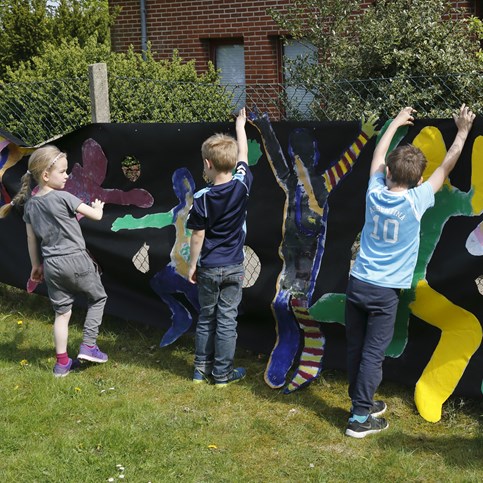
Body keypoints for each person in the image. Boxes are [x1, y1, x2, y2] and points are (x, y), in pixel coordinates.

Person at [345, 104, 475, 438]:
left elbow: (379, 152)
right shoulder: (417, 200)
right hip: (385, 293)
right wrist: (461, 131)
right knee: (373, 354)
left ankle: (361, 400)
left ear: (388, 173)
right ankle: (359, 419)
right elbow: (447, 166)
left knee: (356, 347)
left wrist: (396, 123)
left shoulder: (374, 192)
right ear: (418, 179)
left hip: (358, 283)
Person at [0, 145, 109, 377]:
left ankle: (61, 364)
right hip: (77, 260)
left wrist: (35, 266)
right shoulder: (65, 197)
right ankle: (89, 345)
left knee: (62, 314)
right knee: (98, 297)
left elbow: (31, 239)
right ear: (46, 175)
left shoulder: (29, 205)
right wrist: (98, 207)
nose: (67, 175)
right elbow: (96, 216)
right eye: (63, 171)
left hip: (51, 266)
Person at [187, 107, 252, 388]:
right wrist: (241, 125)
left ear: (208, 165)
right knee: (227, 320)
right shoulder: (242, 186)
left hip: (209, 267)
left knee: (206, 317)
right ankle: (222, 375)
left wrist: (192, 265)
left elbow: (198, 235)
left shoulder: (201, 197)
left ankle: (200, 371)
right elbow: (245, 157)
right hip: (235, 266)